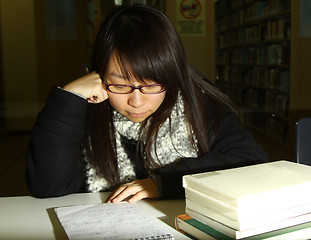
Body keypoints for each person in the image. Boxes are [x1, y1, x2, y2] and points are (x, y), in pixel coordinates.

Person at [26, 4, 268, 203]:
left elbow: (250, 161)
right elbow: (47, 186)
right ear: (100, 75)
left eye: (152, 85)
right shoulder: (84, 110)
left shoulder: (198, 106)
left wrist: (164, 184)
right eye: (120, 85)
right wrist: (68, 98)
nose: (136, 101)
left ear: (172, 76)